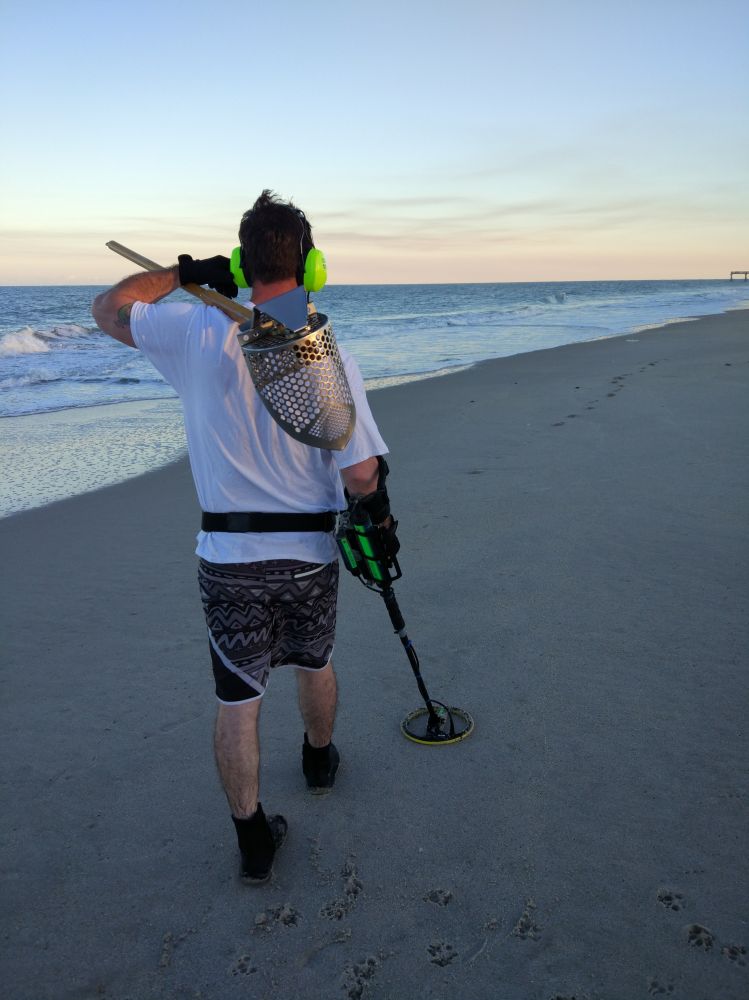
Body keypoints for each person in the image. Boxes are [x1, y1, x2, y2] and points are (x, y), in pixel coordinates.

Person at [92, 191, 390, 884]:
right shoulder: (324, 353)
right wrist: (374, 504)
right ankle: (319, 761)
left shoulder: (193, 330)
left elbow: (108, 307)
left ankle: (252, 838)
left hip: (227, 559)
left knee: (237, 696)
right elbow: (361, 474)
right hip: (309, 557)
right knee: (314, 661)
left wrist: (180, 273)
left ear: (236, 263)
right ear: (311, 267)